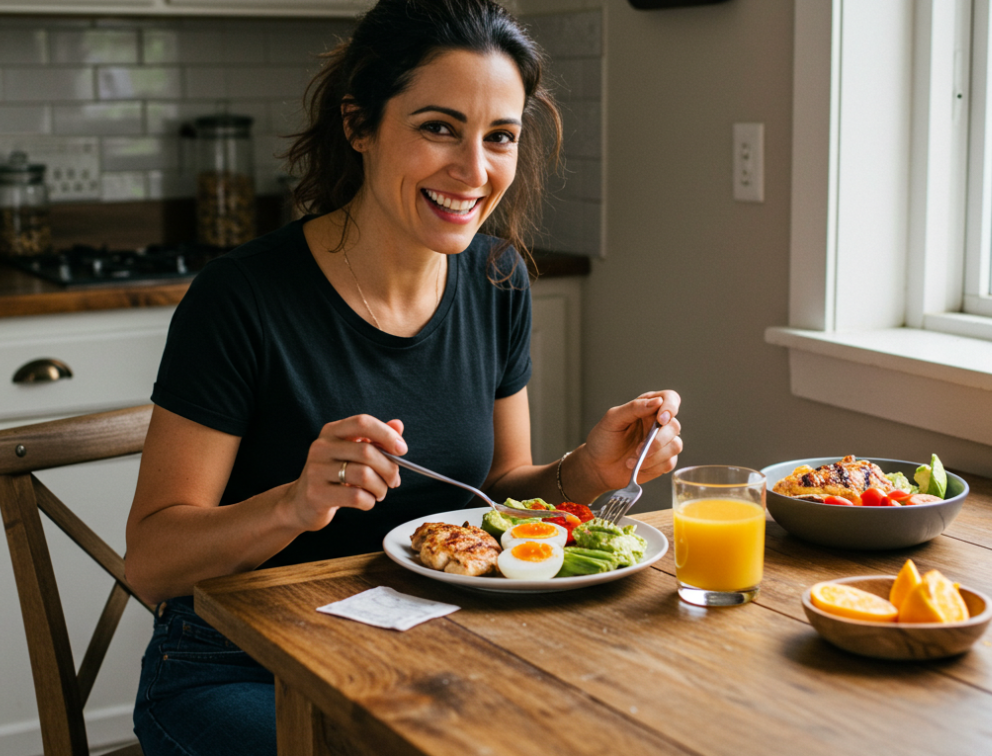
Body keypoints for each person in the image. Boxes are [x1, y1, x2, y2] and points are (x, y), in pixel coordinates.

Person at [125, 0, 683, 752]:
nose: (474, 171)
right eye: (438, 128)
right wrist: (294, 503)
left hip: (432, 651)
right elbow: (152, 566)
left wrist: (587, 469)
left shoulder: (496, 279)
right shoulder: (242, 297)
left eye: (500, 138)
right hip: (239, 666)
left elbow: (501, 489)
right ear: (359, 125)